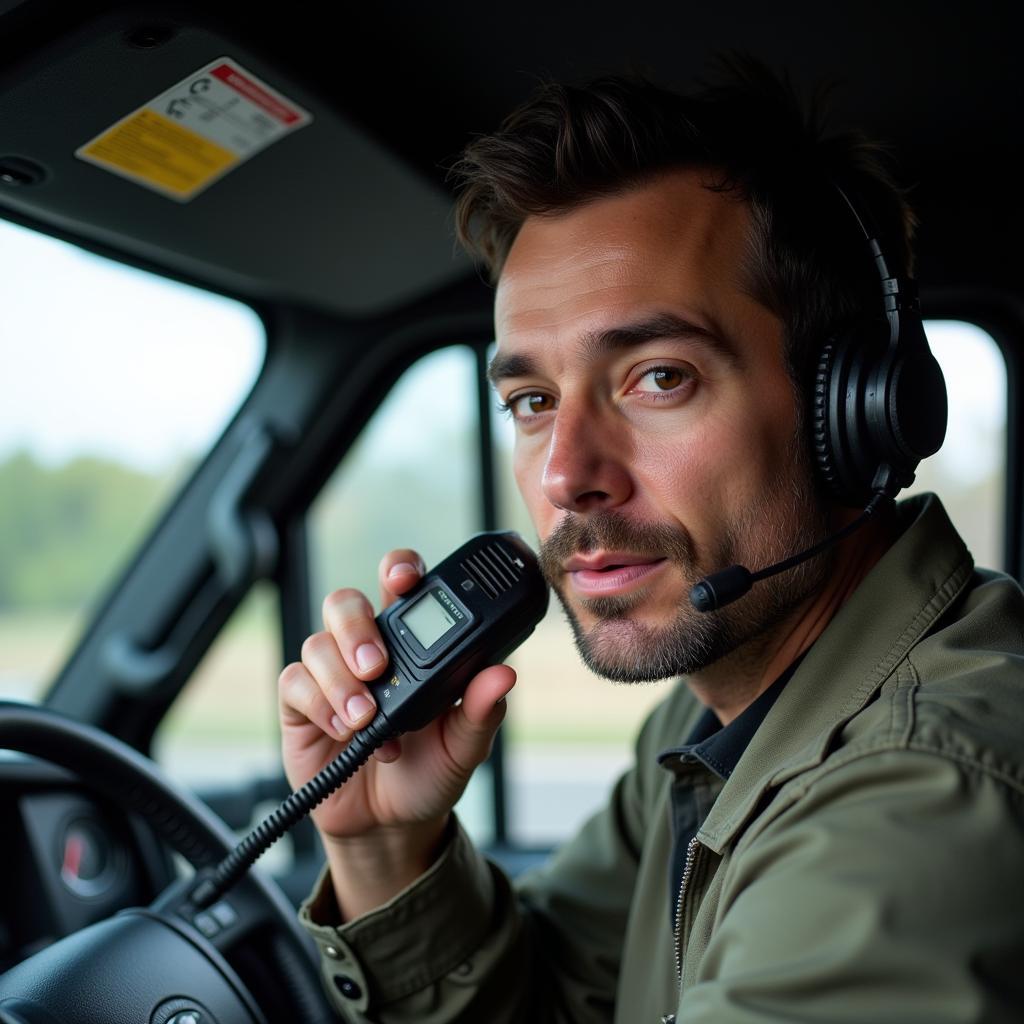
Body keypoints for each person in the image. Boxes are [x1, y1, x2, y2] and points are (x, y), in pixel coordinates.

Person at [278, 59, 1024, 1023]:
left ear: (857, 411)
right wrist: (382, 844)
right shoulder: (713, 712)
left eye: (657, 377)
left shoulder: (922, 806)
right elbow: (553, 1000)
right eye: (534, 401)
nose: (564, 475)